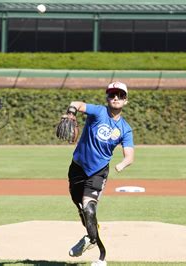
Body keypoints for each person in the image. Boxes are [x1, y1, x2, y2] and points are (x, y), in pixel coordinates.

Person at [66, 81, 134, 266]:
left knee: (89, 209)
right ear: (107, 98)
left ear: (125, 100)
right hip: (77, 167)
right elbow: (77, 103)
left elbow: (129, 155)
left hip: (98, 172)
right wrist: (71, 111)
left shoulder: (125, 128)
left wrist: (122, 164)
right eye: (112, 94)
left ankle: (101, 254)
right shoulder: (98, 111)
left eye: (120, 95)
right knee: (80, 207)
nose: (116, 98)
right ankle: (90, 236)